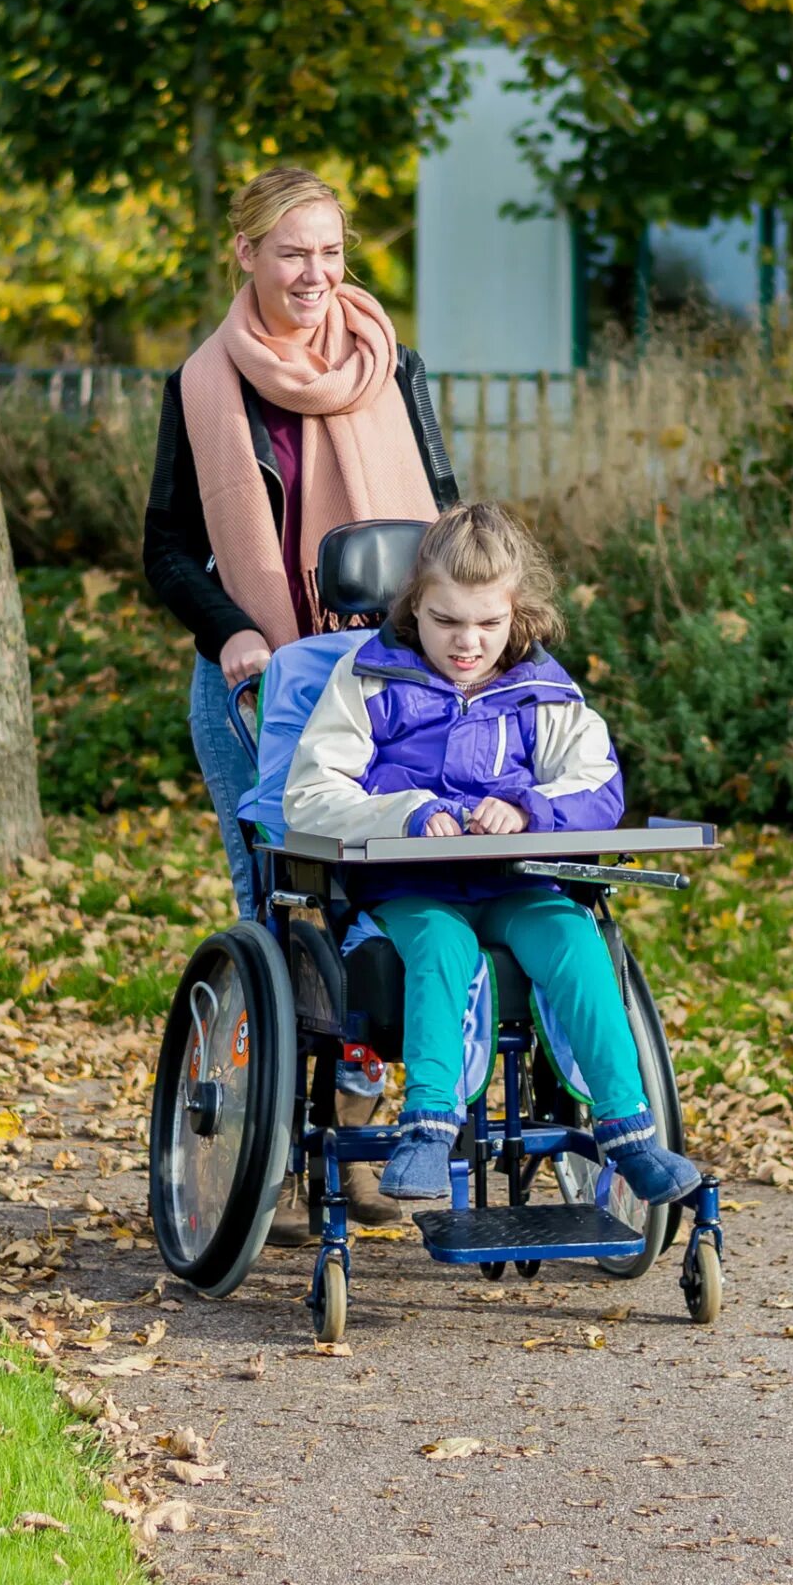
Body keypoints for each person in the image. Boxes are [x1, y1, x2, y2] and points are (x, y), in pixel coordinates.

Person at [143, 166, 457, 1236]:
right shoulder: (203, 387)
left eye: (329, 252)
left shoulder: (390, 364)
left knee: (385, 898)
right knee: (279, 908)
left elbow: (447, 520)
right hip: (258, 686)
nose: (315, 273)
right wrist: (231, 628)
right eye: (291, 254)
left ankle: (363, 1150)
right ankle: (272, 1159)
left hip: (391, 686)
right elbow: (168, 551)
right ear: (245, 255)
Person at [281, 502, 706, 1207]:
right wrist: (412, 811)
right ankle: (425, 1129)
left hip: (517, 886)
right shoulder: (367, 680)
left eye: (488, 623)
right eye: (446, 621)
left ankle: (630, 1135)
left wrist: (530, 808)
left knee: (574, 937)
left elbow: (597, 785)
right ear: (414, 606)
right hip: (410, 892)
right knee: (443, 945)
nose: (467, 642)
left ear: (519, 614)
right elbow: (311, 793)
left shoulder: (544, 691)